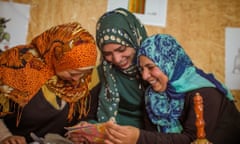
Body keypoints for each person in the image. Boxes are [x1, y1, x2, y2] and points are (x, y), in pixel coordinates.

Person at [104, 34, 240, 144]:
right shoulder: (152, 97)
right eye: (141, 69)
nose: (145, 76)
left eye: (151, 67)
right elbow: (154, 136)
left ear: (169, 63)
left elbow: (194, 140)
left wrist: (139, 138)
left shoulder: (204, 93)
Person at [0, 22, 98, 144]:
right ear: (56, 58)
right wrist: (5, 137)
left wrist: (79, 132)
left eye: (85, 72)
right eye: (73, 73)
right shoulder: (17, 67)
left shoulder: (88, 80)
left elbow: (86, 117)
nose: (78, 79)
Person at [67, 8, 151, 143]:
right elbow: (90, 113)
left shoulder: (154, 70)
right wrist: (86, 126)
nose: (117, 59)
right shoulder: (101, 73)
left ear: (135, 40)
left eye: (121, 49)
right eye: (107, 54)